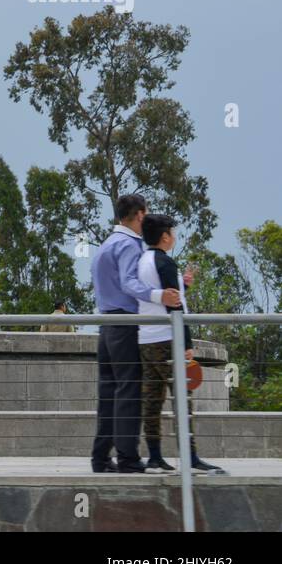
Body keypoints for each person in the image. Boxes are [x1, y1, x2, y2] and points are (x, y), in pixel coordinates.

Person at [89, 194, 183, 474]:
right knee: (130, 392)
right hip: (127, 323)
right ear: (140, 215)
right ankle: (128, 459)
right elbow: (129, 283)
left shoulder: (106, 245)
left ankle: (101, 458)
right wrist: (159, 296)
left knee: (108, 395)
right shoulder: (129, 245)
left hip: (106, 326)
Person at [137, 214, 225, 475]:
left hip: (146, 338)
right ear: (165, 236)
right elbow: (174, 305)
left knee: (152, 400)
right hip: (167, 338)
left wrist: (181, 284)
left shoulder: (144, 260)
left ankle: (154, 457)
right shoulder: (165, 262)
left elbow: (162, 293)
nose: (174, 236)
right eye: (172, 233)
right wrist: (186, 342)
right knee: (182, 399)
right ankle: (191, 458)